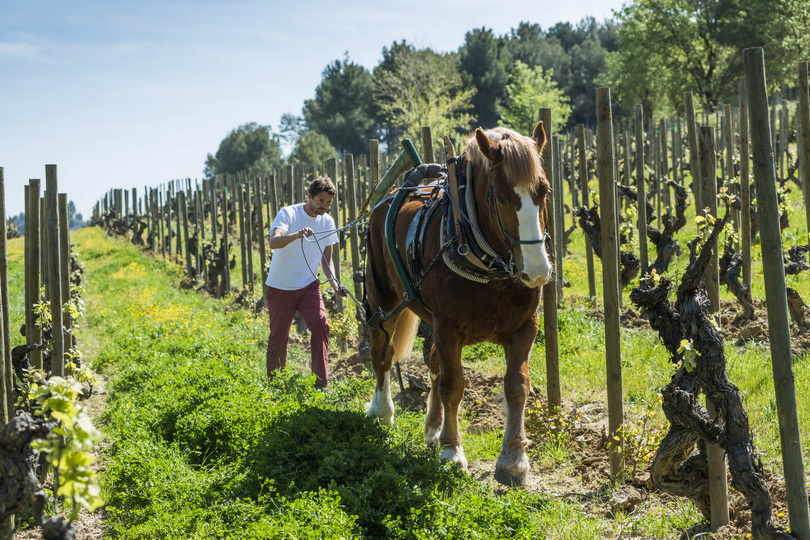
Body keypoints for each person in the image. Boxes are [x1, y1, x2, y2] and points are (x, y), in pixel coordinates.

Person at [265, 177, 347, 389]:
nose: (324, 206)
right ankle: (276, 384)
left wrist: (335, 284)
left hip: (309, 286)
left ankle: (320, 384)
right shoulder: (288, 213)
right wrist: (296, 235)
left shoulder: (327, 222)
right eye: (320, 201)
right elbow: (274, 242)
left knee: (321, 326)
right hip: (280, 286)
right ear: (309, 196)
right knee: (279, 338)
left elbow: (326, 258)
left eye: (328, 203)